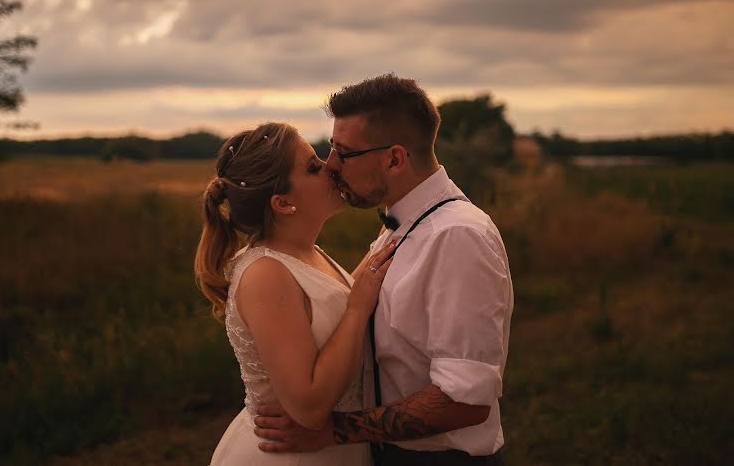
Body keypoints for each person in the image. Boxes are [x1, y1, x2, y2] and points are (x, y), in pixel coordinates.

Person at [253, 74, 514, 465]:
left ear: (395, 158)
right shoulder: (401, 223)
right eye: (330, 149)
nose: (331, 166)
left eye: (344, 153)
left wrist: (334, 431)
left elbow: (464, 400)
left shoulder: (457, 236)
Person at [195, 121, 398, 465]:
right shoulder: (266, 273)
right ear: (283, 202)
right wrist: (357, 309)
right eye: (312, 167)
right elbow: (308, 406)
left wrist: (400, 222)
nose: (331, 165)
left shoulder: (307, 252)